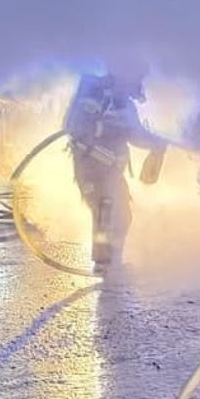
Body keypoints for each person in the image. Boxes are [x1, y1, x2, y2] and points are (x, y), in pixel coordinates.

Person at [62, 59, 167, 272]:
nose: (140, 82)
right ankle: (106, 265)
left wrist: (159, 143)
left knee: (113, 215)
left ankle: (108, 263)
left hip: (103, 169)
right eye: (138, 76)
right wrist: (156, 143)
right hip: (94, 168)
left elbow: (133, 132)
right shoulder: (109, 100)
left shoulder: (117, 100)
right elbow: (135, 134)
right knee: (109, 214)